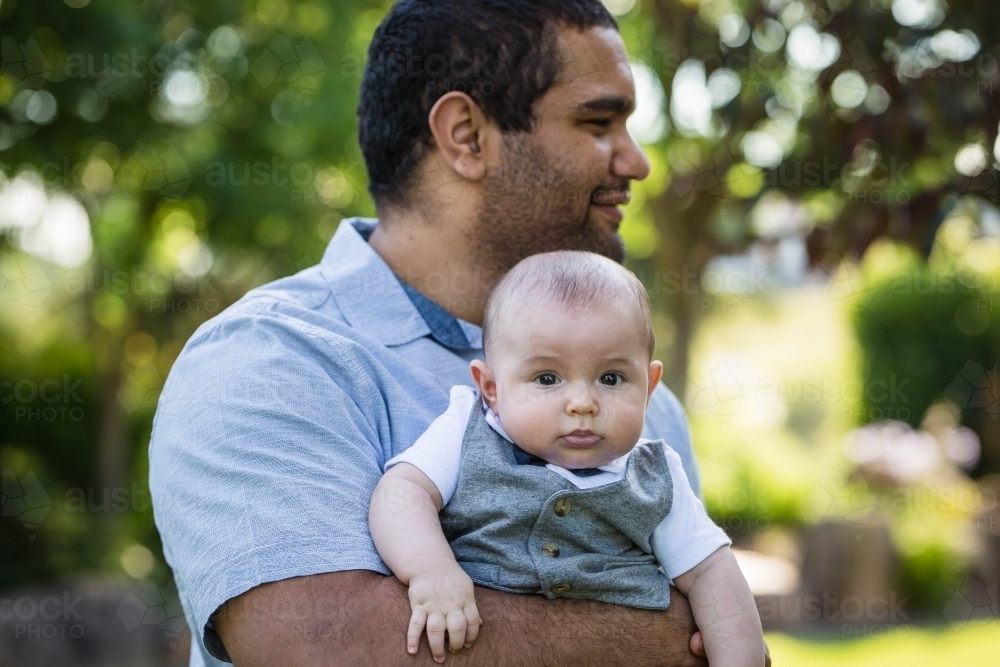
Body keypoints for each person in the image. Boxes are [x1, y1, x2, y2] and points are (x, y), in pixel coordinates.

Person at [150, 1, 771, 665]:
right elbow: (330, 645)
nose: (637, 161)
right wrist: (662, 636)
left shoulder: (642, 406)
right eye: (598, 121)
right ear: (466, 136)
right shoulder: (269, 361)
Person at [369, 251, 765, 666]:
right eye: (547, 378)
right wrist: (431, 571)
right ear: (491, 387)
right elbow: (403, 491)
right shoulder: (466, 432)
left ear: (648, 387)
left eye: (611, 378)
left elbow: (710, 572)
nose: (582, 403)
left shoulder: (654, 476)